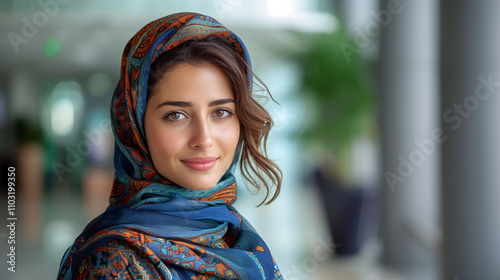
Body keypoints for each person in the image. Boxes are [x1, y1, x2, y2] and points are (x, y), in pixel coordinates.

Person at [57, 12, 284, 279]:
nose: (204, 139)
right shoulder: (114, 263)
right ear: (135, 128)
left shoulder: (232, 231)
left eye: (220, 112)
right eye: (176, 115)